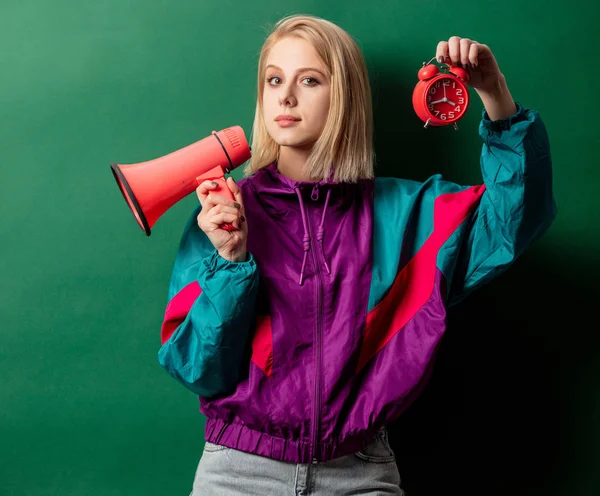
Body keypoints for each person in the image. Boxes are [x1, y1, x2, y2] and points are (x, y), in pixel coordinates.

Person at [157, 14, 557, 495]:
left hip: (360, 473)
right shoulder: (222, 214)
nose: (285, 96)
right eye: (274, 80)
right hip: (238, 472)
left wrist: (496, 94)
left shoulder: (412, 214)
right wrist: (232, 263)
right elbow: (198, 369)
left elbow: (517, 219)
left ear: (344, 94)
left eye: (309, 80)